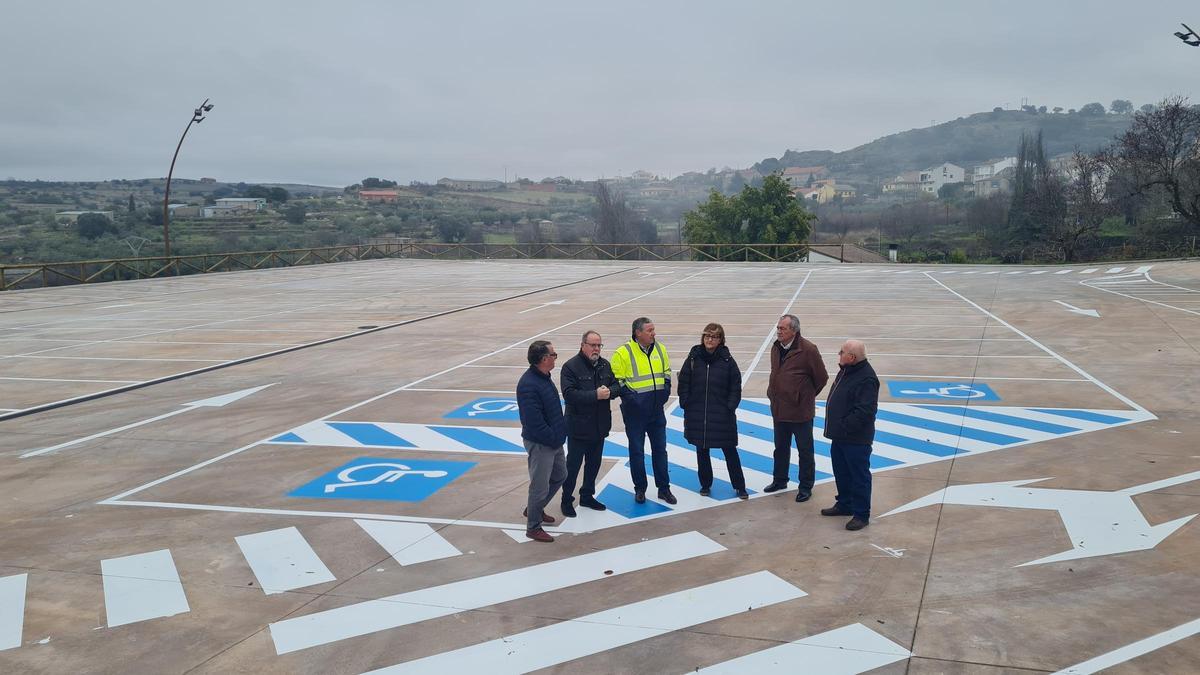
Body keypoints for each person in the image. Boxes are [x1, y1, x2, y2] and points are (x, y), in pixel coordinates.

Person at [677, 323, 748, 500]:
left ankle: (739, 486)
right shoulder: (693, 358)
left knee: (730, 452)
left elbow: (735, 386)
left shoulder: (727, 361)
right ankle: (705, 485)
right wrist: (686, 403)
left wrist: (730, 407)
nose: (710, 339)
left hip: (722, 416)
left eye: (714, 337)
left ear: (720, 340)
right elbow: (684, 382)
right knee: (702, 452)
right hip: (698, 415)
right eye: (707, 336)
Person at [610, 317, 676, 505]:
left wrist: (664, 393)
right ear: (638, 333)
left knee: (660, 451)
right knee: (637, 452)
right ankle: (640, 489)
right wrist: (634, 401)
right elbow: (618, 381)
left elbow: (666, 373)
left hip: (656, 410)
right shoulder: (623, 353)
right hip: (635, 413)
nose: (653, 333)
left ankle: (664, 489)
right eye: (649, 330)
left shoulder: (660, 349)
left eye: (653, 329)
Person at [765, 313, 829, 502]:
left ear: (794, 330)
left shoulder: (808, 350)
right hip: (779, 409)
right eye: (778, 328)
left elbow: (821, 378)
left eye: (782, 328)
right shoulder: (776, 348)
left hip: (800, 412)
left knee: (805, 451)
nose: (778, 331)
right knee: (780, 448)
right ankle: (780, 480)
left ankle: (806, 486)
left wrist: (804, 396)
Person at [821, 339, 880, 531]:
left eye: (841, 352)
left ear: (852, 357)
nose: (839, 354)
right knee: (842, 472)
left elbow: (865, 411)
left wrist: (844, 426)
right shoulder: (847, 370)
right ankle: (845, 503)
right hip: (840, 436)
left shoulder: (867, 378)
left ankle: (861, 514)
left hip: (855, 439)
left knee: (859, 476)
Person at [559, 330, 617, 517]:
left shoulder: (604, 365)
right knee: (573, 466)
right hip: (578, 427)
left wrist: (610, 391)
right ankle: (566, 499)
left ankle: (587, 495)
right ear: (583, 345)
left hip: (599, 426)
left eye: (599, 345)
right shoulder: (570, 367)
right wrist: (595, 395)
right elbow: (569, 394)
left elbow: (617, 385)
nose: (596, 349)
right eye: (593, 345)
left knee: (593, 464)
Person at [516, 340, 567, 542]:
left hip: (553, 440)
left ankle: (534, 509)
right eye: (554, 354)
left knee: (560, 475)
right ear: (545, 359)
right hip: (541, 443)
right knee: (539, 486)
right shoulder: (528, 385)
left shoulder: (544, 377)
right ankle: (533, 527)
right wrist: (554, 438)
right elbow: (533, 422)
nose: (556, 357)